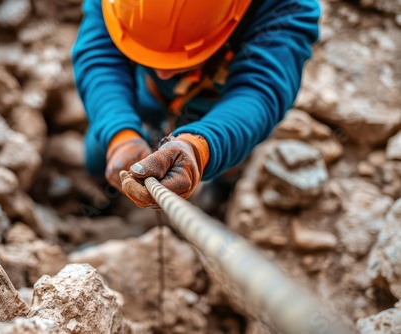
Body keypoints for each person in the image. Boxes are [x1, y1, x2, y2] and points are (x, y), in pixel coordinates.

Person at [72, 0, 320, 209]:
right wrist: (119, 133)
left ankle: (219, 197)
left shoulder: (285, 7)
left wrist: (202, 148)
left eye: (181, 53)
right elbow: (99, 54)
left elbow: (259, 92)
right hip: (146, 91)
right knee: (103, 142)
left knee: (224, 156)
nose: (163, 73)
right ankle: (99, 186)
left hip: (219, 104)